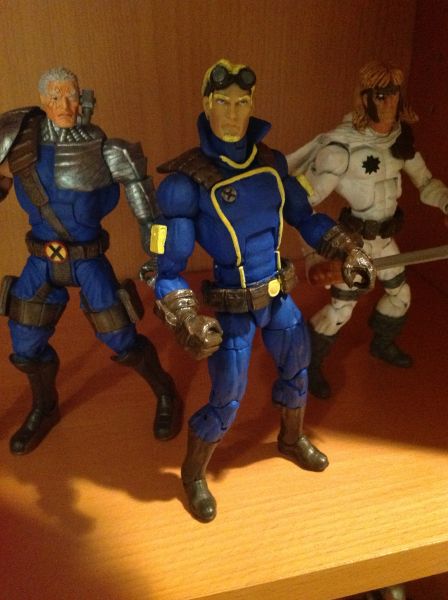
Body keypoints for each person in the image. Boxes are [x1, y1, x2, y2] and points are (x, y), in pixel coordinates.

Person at [152, 58, 375, 522]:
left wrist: (347, 249)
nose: (232, 114)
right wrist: (187, 317)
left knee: (297, 369)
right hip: (233, 307)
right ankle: (193, 474)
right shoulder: (184, 184)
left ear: (252, 105)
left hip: (278, 297)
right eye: (223, 102)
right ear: (207, 105)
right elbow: (166, 268)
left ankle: (290, 438)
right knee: (227, 397)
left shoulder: (272, 163)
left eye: (241, 103)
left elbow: (306, 218)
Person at [0, 67, 182, 454]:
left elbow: (149, 213)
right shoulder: (18, 145)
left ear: (82, 96)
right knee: (24, 340)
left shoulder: (106, 150)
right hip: (41, 259)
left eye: (71, 96)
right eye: (55, 97)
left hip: (88, 259)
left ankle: (164, 390)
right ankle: (45, 406)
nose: (65, 105)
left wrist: (161, 256)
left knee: (119, 334)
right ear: (43, 101)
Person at [288, 60, 448, 399]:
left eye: (394, 94)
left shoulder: (400, 141)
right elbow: (299, 207)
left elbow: (426, 184)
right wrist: (316, 255)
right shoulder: (340, 150)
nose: (389, 103)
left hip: (386, 240)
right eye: (381, 95)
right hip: (353, 245)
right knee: (340, 311)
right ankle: (308, 364)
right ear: (364, 98)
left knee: (400, 296)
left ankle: (382, 344)